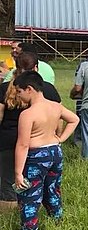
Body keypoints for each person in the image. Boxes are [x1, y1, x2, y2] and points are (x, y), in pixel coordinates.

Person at [12, 71, 79, 230]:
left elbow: (23, 144)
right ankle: (57, 220)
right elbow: (74, 119)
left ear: (29, 89)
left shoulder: (27, 114)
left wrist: (18, 173)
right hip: (55, 152)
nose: (18, 96)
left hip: (36, 156)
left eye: (19, 92)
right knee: (52, 189)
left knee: (30, 195)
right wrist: (61, 139)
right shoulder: (55, 106)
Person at [0, 52, 61, 212]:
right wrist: (58, 136)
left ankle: (10, 216)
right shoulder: (46, 89)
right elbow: (59, 117)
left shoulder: (5, 88)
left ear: (16, 66)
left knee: (9, 182)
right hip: (39, 145)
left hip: (8, 141)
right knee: (38, 182)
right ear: (36, 68)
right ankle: (38, 210)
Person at [71, 47, 88, 147]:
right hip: (87, 97)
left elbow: (78, 84)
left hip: (87, 98)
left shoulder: (84, 65)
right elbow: (79, 84)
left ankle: (85, 141)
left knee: (85, 119)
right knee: (83, 119)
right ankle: (80, 141)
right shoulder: (84, 65)